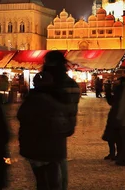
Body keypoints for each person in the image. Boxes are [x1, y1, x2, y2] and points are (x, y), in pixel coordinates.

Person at [18, 71, 72, 189]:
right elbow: (66, 128)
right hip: (52, 150)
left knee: (41, 181)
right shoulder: (56, 102)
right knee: (54, 182)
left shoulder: (29, 101)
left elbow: (22, 120)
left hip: (33, 149)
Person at [41, 50, 80, 189]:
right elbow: (73, 107)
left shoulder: (49, 83)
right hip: (64, 126)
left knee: (51, 164)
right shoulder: (71, 83)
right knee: (59, 160)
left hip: (49, 127)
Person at [102, 76, 125, 160]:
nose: (115, 81)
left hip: (116, 115)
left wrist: (108, 91)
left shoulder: (119, 90)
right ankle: (116, 153)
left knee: (113, 136)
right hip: (118, 115)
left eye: (117, 80)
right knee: (116, 136)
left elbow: (111, 101)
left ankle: (114, 153)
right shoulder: (121, 89)